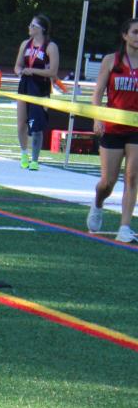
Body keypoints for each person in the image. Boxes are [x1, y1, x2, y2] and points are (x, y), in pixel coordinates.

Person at [87, 16, 138, 245]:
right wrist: (98, 118)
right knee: (108, 182)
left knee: (132, 177)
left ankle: (124, 227)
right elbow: (97, 93)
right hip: (113, 127)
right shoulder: (111, 60)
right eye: (135, 32)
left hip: (136, 128)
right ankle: (98, 202)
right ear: (125, 35)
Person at [14, 13, 59, 170]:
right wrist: (21, 72)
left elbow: (53, 72)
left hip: (40, 88)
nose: (29, 27)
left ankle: (35, 160)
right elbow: (17, 66)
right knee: (21, 123)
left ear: (42, 29)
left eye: (33, 25)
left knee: (36, 126)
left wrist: (32, 71)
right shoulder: (25, 44)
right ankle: (23, 154)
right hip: (25, 85)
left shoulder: (50, 47)